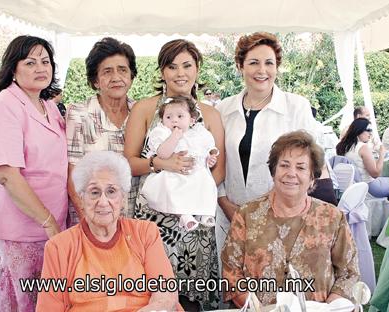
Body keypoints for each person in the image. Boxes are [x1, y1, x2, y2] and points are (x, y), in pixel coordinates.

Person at [124, 39, 225, 310]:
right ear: (161, 71)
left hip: (196, 219)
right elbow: (130, 163)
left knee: (190, 301)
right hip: (155, 215)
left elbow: (219, 169)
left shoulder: (211, 115)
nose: (180, 73)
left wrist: (189, 192)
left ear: (197, 69)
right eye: (172, 66)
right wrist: (161, 165)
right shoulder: (145, 109)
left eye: (187, 65)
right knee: (154, 297)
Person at [222, 130, 359, 307]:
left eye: (301, 167)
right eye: (284, 165)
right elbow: (231, 272)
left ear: (312, 177)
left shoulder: (332, 216)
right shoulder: (247, 214)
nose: (291, 173)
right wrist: (256, 309)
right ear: (274, 171)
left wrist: (330, 307)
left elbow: (349, 272)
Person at [0, 35, 68, 311]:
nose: (41, 68)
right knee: (20, 304)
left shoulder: (49, 107)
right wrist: (49, 222)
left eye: (46, 61)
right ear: (13, 69)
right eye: (30, 62)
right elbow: (7, 174)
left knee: (48, 302)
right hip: (20, 232)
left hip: (53, 228)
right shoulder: (6, 105)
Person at [215, 32, 319, 259]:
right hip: (230, 214)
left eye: (269, 63)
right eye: (253, 62)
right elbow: (214, 162)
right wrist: (225, 204)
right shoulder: (223, 109)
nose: (262, 70)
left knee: (275, 284)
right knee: (235, 284)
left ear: (277, 67)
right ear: (240, 66)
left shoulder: (296, 107)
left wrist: (267, 213)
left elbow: (309, 164)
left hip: (282, 216)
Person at [36, 151, 180, 311]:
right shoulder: (59, 247)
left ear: (123, 199)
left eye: (111, 191)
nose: (103, 202)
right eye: (94, 192)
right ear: (81, 198)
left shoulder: (145, 232)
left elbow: (165, 294)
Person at [66, 37, 138, 226]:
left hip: (133, 223)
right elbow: (72, 177)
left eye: (122, 70)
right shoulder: (79, 114)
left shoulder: (141, 113)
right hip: (92, 221)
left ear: (131, 76)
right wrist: (92, 227)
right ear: (96, 80)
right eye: (107, 71)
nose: (116, 77)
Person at [140, 96, 218, 231]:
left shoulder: (198, 133)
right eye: (168, 117)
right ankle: (184, 215)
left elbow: (208, 148)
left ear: (192, 120)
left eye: (180, 116)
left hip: (195, 173)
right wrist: (174, 137)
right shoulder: (162, 133)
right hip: (171, 174)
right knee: (171, 189)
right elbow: (163, 154)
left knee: (206, 184)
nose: (174, 120)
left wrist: (209, 158)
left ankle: (204, 213)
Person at [337, 118, 389, 198]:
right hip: (370, 188)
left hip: (353, 187)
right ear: (359, 130)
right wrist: (382, 154)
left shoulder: (343, 146)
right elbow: (375, 174)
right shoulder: (363, 147)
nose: (370, 134)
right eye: (368, 130)